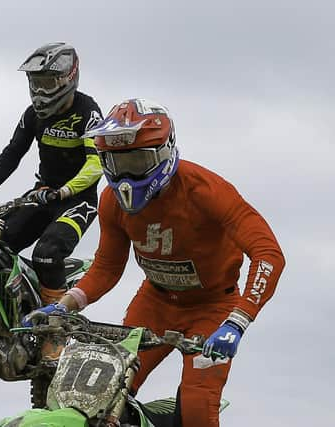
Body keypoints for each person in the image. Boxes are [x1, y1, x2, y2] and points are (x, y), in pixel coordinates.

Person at [24, 98, 285, 426]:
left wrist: (238, 322)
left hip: (213, 308)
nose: (126, 174)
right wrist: (64, 306)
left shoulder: (206, 190)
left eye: (136, 159)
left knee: (197, 406)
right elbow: (106, 266)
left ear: (164, 151)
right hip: (155, 303)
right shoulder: (110, 201)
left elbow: (268, 254)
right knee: (99, 393)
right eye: (117, 162)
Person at [0, 42, 104, 305]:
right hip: (41, 195)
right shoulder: (32, 115)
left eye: (48, 84)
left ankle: (53, 329)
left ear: (69, 78)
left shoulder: (88, 112)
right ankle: (5, 316)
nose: (40, 92)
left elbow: (96, 164)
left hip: (77, 201)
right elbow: (12, 153)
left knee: (46, 254)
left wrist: (64, 191)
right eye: (35, 83)